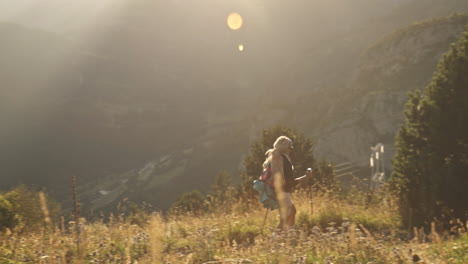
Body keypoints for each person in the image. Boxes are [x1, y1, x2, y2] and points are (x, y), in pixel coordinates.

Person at [264, 136, 297, 231]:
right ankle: (274, 240)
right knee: (285, 218)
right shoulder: (285, 160)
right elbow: (290, 181)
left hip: (275, 191)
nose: (291, 150)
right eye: (290, 148)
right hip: (283, 191)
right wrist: (305, 178)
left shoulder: (273, 158)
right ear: (286, 148)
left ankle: (290, 235)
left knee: (292, 212)